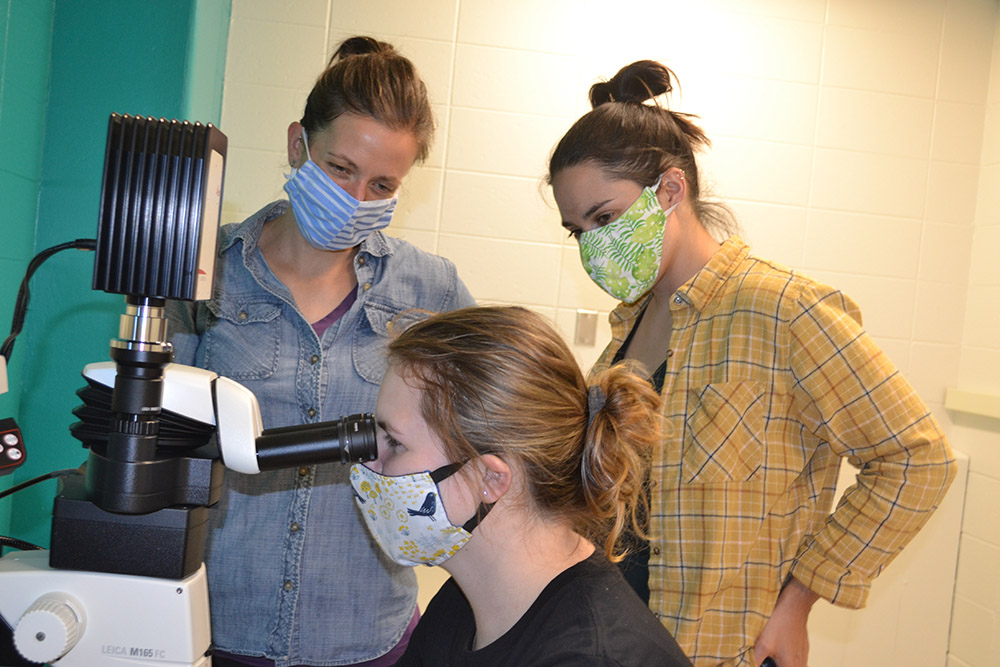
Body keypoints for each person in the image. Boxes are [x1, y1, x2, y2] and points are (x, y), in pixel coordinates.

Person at [546, 60, 957, 667]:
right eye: (578, 231)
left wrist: (799, 603)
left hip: (720, 648)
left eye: (604, 218)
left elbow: (918, 458)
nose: (593, 245)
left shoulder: (784, 311)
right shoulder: (626, 327)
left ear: (669, 191)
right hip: (622, 639)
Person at [166, 37, 475, 667]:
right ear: (295, 145)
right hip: (216, 623)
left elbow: (488, 432)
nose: (357, 199)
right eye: (340, 169)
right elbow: (151, 444)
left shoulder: (430, 290)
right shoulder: (203, 272)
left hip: (366, 632)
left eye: (383, 183)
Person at [348, 305, 693, 666]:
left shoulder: (589, 655)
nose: (370, 465)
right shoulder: (465, 605)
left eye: (395, 444)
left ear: (490, 478)